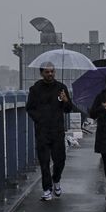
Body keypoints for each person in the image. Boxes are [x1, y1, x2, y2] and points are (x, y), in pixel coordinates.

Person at [26, 62, 74, 201]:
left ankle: (56, 180)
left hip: (58, 130)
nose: (50, 74)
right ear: (42, 73)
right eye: (47, 72)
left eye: (52, 71)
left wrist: (65, 100)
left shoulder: (61, 88)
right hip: (42, 131)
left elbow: (68, 109)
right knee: (44, 161)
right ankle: (46, 189)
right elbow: (30, 108)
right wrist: (39, 119)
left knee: (60, 160)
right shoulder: (35, 89)